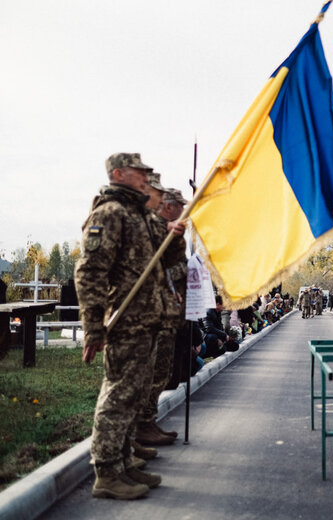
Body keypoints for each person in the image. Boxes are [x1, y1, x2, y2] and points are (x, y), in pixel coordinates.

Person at [75, 152, 183, 499]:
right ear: (119, 174)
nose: (145, 178)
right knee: (118, 395)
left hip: (147, 319)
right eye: (140, 172)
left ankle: (123, 463)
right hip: (124, 320)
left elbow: (168, 256)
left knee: (133, 395)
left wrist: (176, 233)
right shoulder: (110, 213)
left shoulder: (140, 215)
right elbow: (90, 272)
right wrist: (93, 327)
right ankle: (106, 472)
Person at [135, 180, 188, 447]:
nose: (183, 213)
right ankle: (142, 426)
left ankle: (148, 422)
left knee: (162, 372)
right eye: (180, 207)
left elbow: (173, 265)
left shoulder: (168, 232)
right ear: (169, 207)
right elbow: (160, 269)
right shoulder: (152, 230)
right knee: (152, 373)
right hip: (153, 310)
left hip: (167, 310)